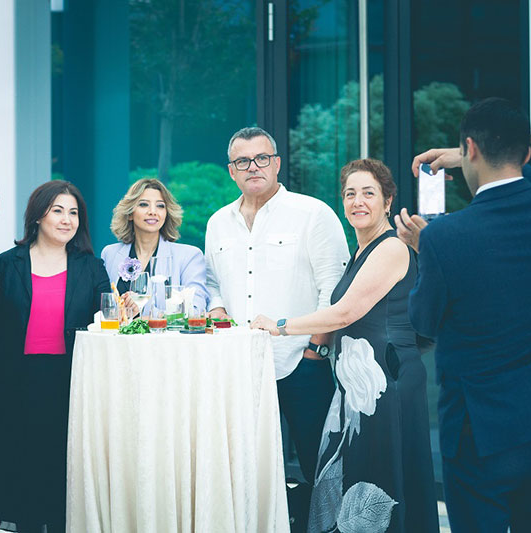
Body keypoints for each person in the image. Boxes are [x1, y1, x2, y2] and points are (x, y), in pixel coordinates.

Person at [394, 97, 531, 532]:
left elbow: (424, 323)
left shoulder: (444, 238)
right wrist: (471, 155)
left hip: (477, 432)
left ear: (470, 147)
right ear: (526, 154)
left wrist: (424, 251)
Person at [251, 159, 439, 533]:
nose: (358, 201)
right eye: (350, 194)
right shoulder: (360, 252)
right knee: (355, 478)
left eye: (369, 193)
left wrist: (280, 326)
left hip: (386, 383)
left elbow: (344, 313)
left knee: (379, 482)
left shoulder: (391, 248)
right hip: (360, 386)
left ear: (388, 201)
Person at [205, 127, 349, 524]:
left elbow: (334, 288)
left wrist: (315, 349)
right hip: (242, 368)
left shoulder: (312, 213)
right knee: (250, 473)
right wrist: (217, 311)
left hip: (303, 363)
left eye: (261, 158)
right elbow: (212, 283)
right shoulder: (218, 223)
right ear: (231, 170)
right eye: (242, 161)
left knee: (319, 467)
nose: (253, 167)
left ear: (277, 163)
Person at [0, 180, 111, 532]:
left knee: (62, 471)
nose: (66, 219)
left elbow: (108, 316)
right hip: (17, 382)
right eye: (57, 211)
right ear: (38, 216)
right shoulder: (6, 264)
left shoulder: (92, 267)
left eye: (73, 213)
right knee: (22, 469)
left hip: (70, 381)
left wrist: (125, 311)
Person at [101, 178, 208, 310]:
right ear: (129, 214)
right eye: (143, 204)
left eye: (160, 206)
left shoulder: (189, 256)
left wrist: (142, 312)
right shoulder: (109, 254)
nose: (153, 211)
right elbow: (104, 308)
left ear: (167, 213)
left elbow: (196, 309)